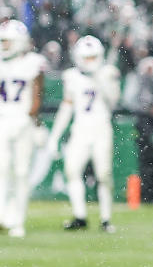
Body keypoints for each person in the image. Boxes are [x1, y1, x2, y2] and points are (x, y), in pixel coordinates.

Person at [47, 35, 121, 233]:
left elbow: (114, 101)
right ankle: (80, 216)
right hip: (80, 129)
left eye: (93, 57)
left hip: (101, 128)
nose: (89, 61)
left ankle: (106, 219)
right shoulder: (71, 76)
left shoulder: (108, 73)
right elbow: (67, 107)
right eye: (86, 57)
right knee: (72, 171)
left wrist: (99, 78)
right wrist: (54, 136)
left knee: (103, 174)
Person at [0, 20, 46, 238]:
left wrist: (33, 122)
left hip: (22, 121)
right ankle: (2, 215)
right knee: (2, 170)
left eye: (8, 41)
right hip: (2, 120)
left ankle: (18, 220)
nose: (5, 45)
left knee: (21, 172)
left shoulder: (33, 62)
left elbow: (37, 96)